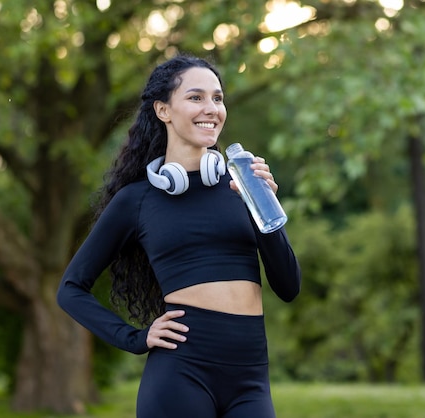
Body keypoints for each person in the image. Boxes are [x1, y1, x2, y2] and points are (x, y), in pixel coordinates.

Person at [57, 54, 301, 418]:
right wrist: (135, 338)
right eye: (196, 97)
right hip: (180, 374)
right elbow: (71, 288)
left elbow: (288, 286)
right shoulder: (136, 200)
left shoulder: (241, 186)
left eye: (218, 98)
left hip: (250, 378)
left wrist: (262, 204)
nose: (212, 108)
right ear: (164, 110)